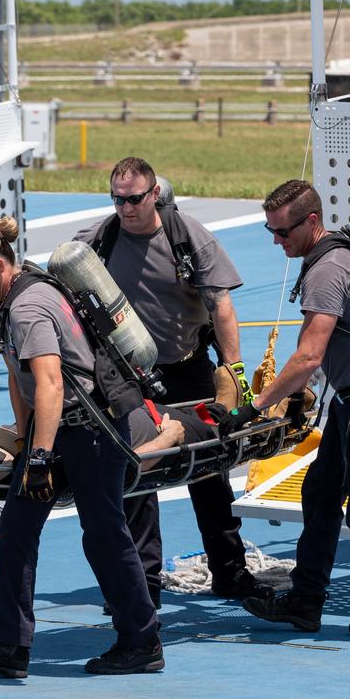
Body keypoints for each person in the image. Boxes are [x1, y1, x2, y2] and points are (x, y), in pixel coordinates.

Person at [0, 218, 163, 679]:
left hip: (90, 431)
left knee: (104, 535)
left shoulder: (28, 307)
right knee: (15, 533)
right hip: (57, 431)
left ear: (1, 265)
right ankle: (7, 644)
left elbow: (49, 383)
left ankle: (141, 640)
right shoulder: (3, 306)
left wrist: (40, 459)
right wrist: (26, 442)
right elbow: (17, 377)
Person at [225, 179, 350, 639]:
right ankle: (306, 600)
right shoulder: (338, 252)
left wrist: (254, 406)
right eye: (270, 230)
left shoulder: (325, 270)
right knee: (320, 494)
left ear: (312, 221)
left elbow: (308, 356)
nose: (277, 240)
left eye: (283, 231)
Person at [74, 157, 267, 609]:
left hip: (187, 369)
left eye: (135, 199)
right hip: (128, 378)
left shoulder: (186, 236)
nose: (125, 208)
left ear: (154, 193)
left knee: (210, 469)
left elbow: (220, 306)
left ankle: (230, 570)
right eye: (118, 200)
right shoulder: (99, 240)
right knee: (138, 475)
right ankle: (144, 583)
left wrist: (235, 372)